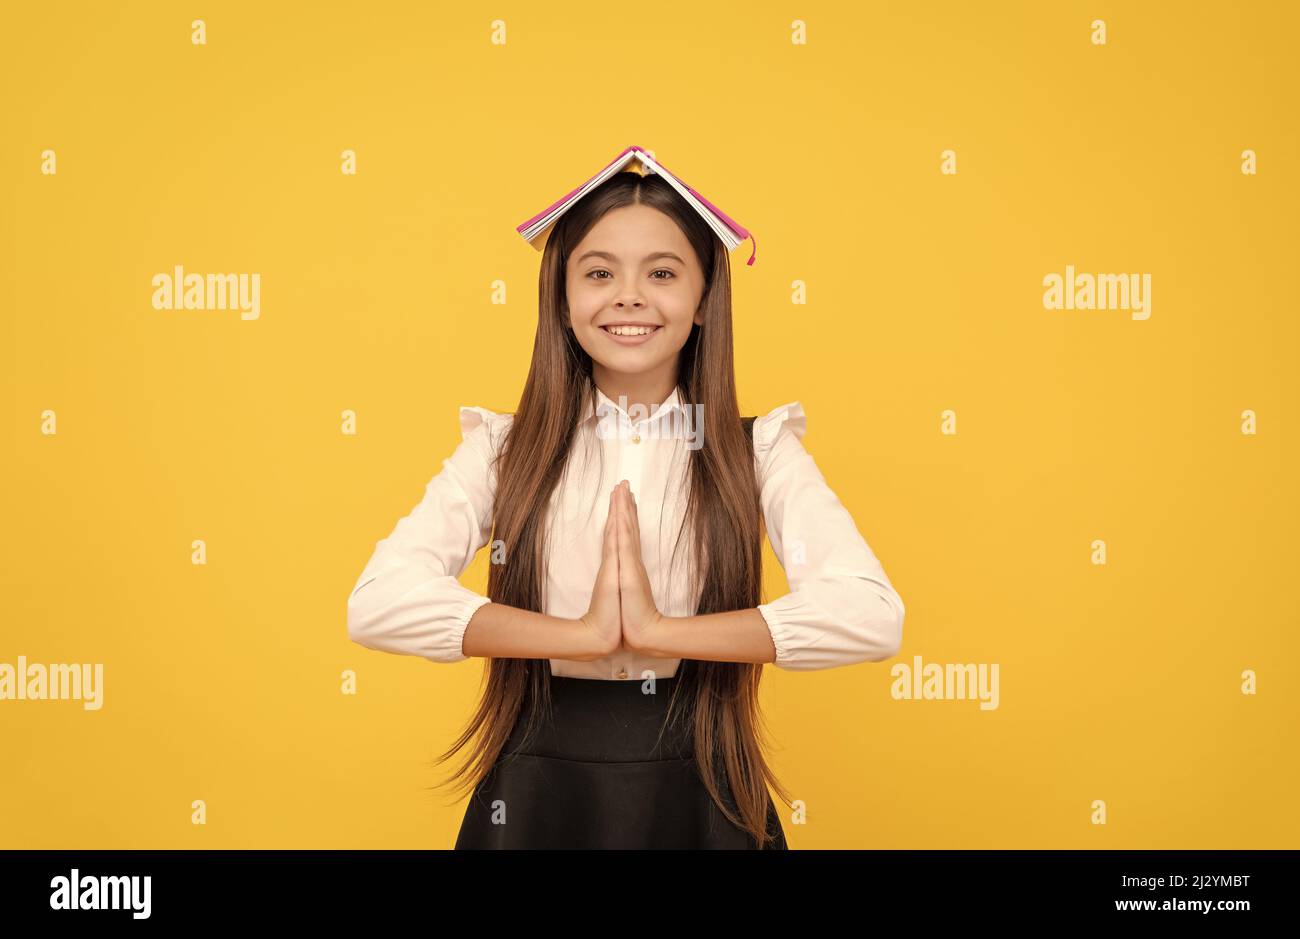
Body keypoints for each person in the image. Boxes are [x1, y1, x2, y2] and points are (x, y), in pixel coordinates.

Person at [347, 147, 906, 849]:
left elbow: (870, 615)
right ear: (563, 300)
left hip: (705, 793)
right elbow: (377, 602)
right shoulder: (504, 450)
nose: (629, 296)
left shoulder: (758, 451)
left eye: (662, 273)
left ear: (704, 301)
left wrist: (657, 631)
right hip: (536, 795)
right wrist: (580, 635)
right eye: (599, 273)